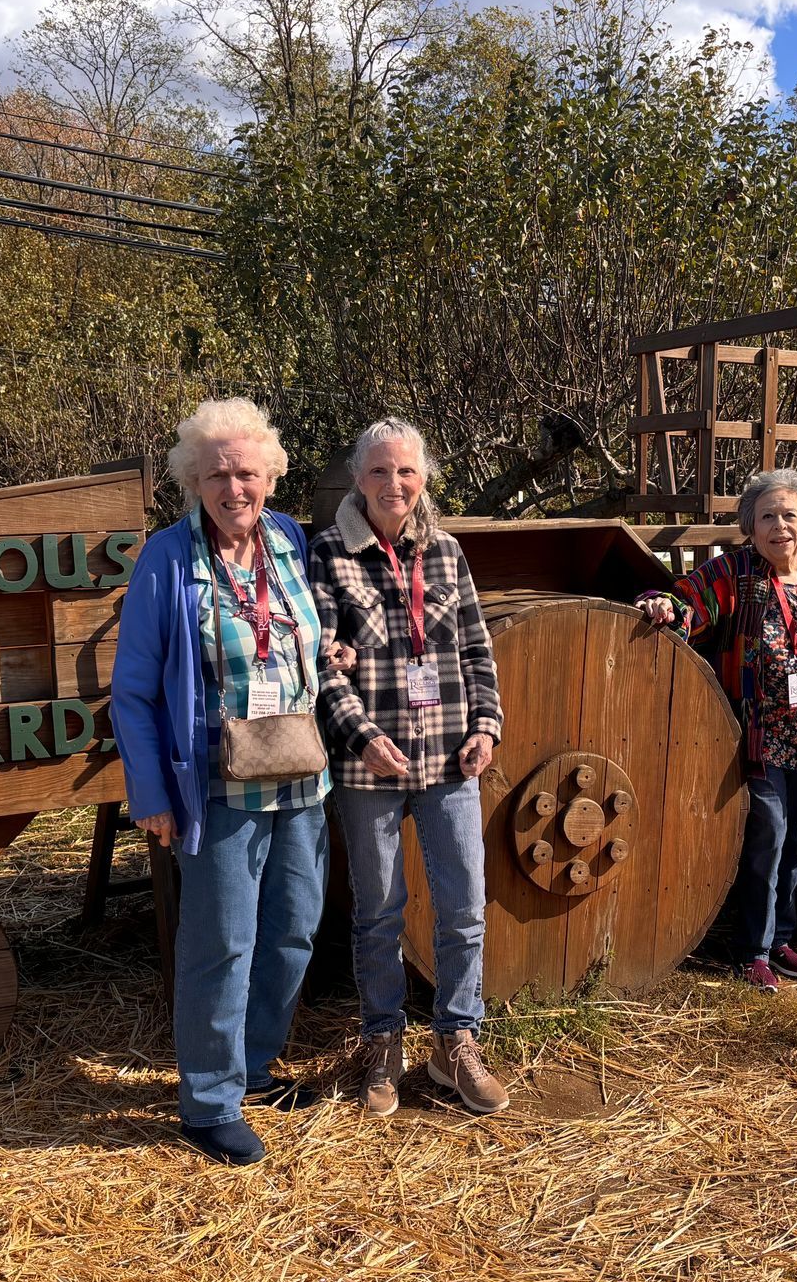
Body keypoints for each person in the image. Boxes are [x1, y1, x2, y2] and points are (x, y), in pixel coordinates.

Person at [112, 398, 328, 1166]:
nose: (234, 489)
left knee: (295, 928)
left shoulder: (291, 541)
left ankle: (257, 1067)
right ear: (193, 483)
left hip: (300, 776)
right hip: (215, 787)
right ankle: (208, 1101)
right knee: (222, 944)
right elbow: (133, 692)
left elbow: (303, 632)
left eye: (246, 472)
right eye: (216, 476)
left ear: (270, 474)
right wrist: (153, 797)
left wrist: (324, 657)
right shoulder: (168, 560)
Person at [310, 418, 510, 1118]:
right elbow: (319, 662)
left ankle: (455, 1040)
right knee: (379, 913)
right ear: (357, 477)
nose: (393, 485)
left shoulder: (448, 553)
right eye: (378, 472)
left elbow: (478, 655)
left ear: (424, 478)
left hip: (449, 762)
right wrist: (360, 736)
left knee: (462, 907)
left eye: (406, 472)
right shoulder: (330, 553)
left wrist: (486, 728)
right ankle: (383, 1040)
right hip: (372, 770)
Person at [636, 468, 797, 993]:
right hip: (757, 737)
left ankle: (781, 938)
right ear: (750, 527)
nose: (779, 526)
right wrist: (666, 605)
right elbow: (688, 600)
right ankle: (752, 950)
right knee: (769, 838)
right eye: (767, 517)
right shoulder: (734, 574)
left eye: (789, 516)